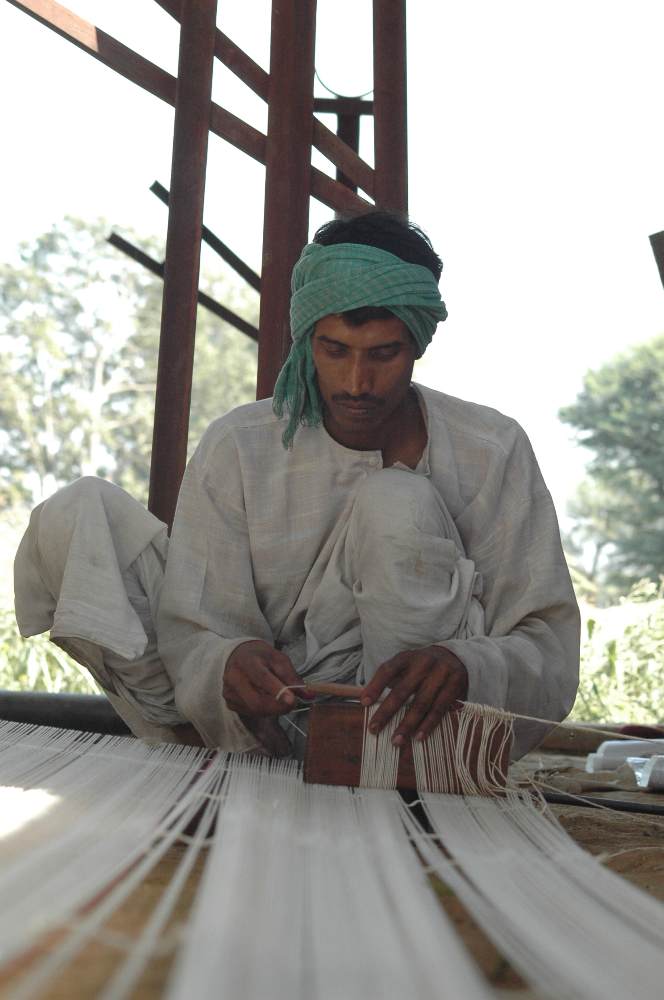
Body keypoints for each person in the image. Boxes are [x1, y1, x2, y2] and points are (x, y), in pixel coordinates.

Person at [14, 211, 579, 760]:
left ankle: (387, 758)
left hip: (412, 731)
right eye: (335, 351)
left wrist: (465, 666)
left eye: (384, 354)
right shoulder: (241, 443)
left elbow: (548, 645)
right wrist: (229, 663)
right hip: (262, 726)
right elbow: (192, 627)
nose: (358, 382)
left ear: (418, 344)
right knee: (77, 512)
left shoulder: (491, 448)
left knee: (395, 500)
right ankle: (200, 756)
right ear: (308, 342)